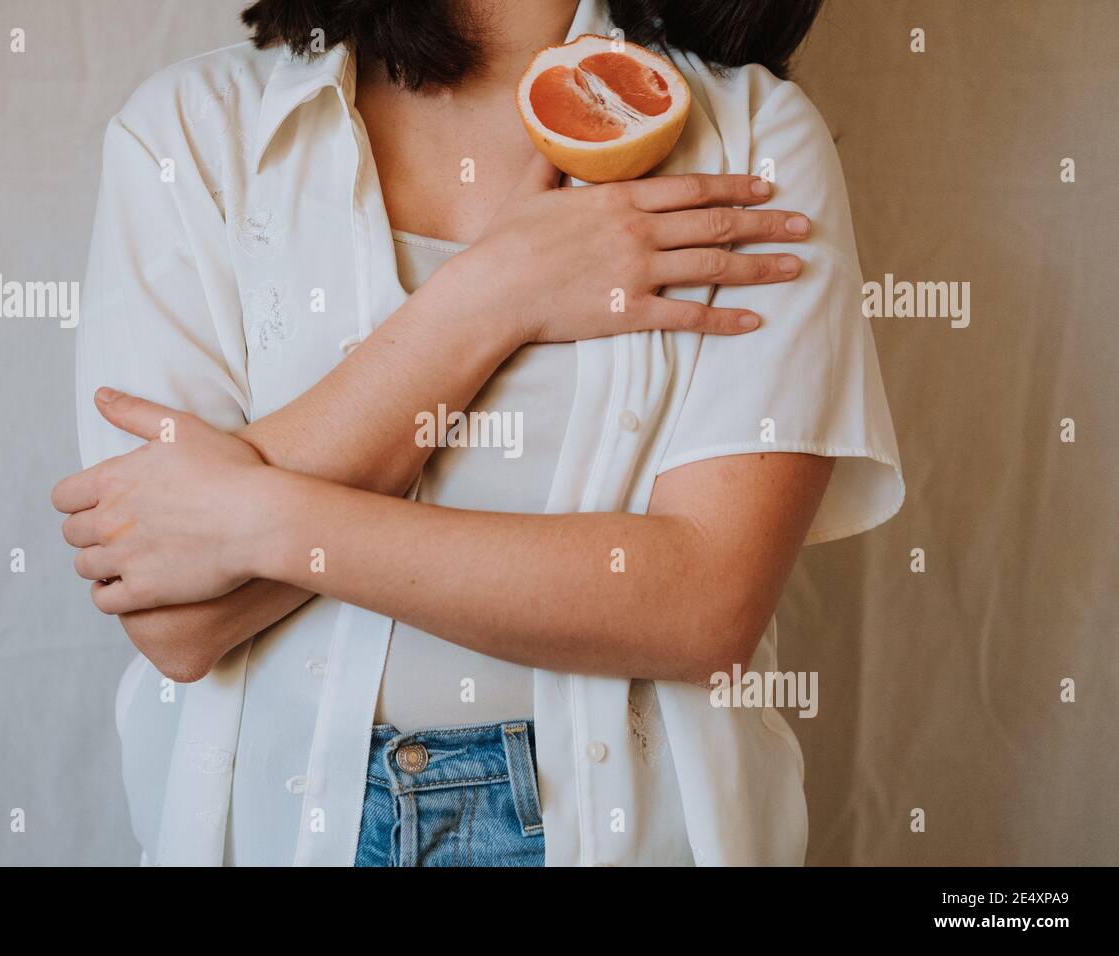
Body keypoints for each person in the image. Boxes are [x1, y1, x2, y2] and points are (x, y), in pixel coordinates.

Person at [52, 0, 903, 866]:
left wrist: (260, 520)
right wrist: (493, 294)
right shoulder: (189, 131)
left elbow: (705, 607)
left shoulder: (751, 140)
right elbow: (175, 623)